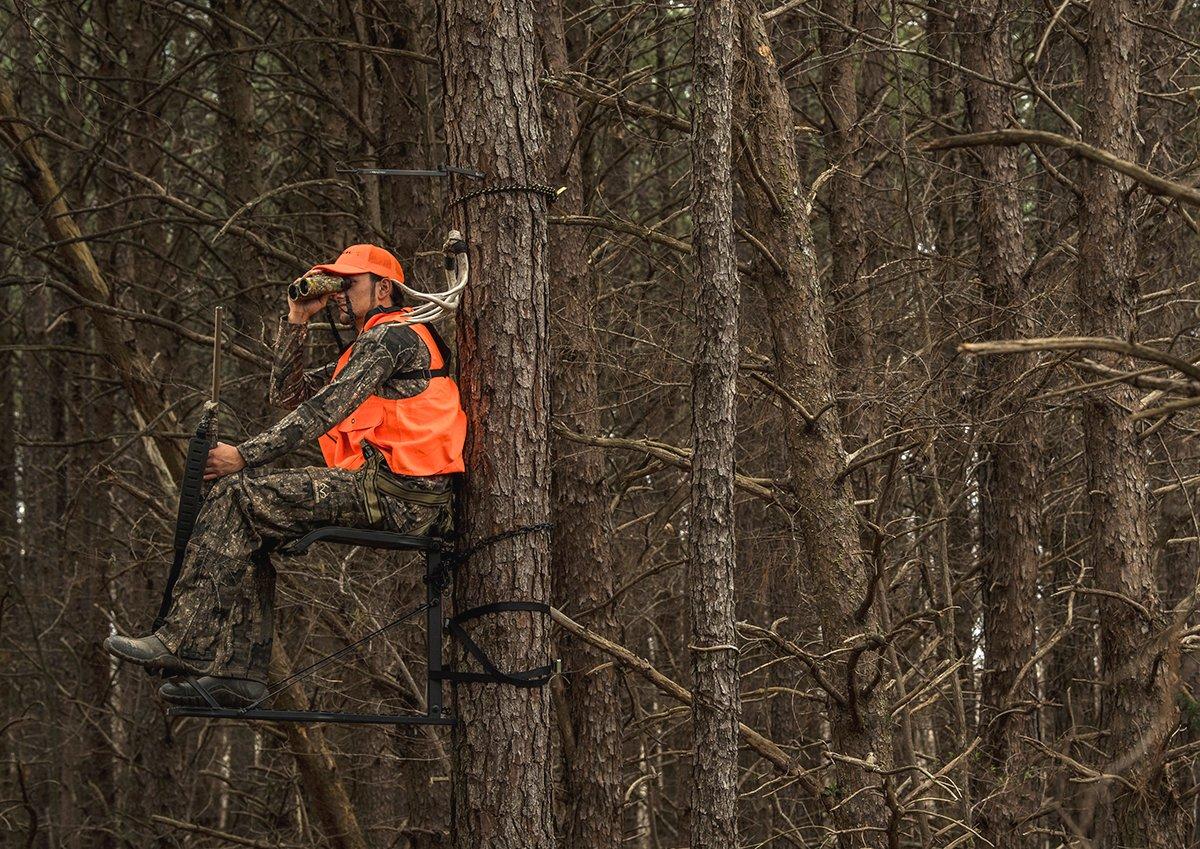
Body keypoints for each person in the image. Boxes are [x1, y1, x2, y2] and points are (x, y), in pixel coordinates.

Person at [103, 244, 467, 708]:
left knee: (239, 496)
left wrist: (245, 456)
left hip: (398, 495)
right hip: (398, 494)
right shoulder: (373, 345)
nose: (338, 293)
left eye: (348, 283)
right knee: (251, 520)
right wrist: (297, 316)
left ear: (383, 290)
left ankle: (183, 641)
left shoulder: (392, 339)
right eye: (335, 282)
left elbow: (320, 411)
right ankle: (238, 676)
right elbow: (288, 392)